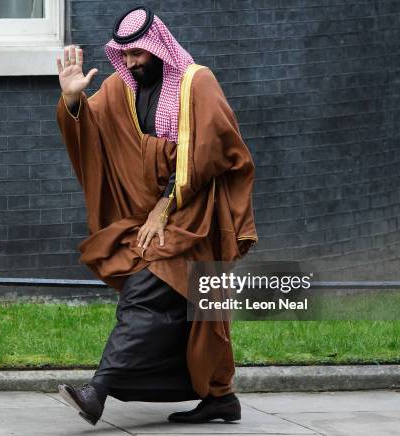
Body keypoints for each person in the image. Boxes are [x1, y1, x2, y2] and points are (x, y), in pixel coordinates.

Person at [55, 5, 257, 426]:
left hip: (196, 216)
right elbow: (91, 132)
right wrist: (72, 101)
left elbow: (214, 151)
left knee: (147, 288)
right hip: (150, 217)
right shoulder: (120, 89)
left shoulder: (196, 84)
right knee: (191, 309)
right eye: (124, 55)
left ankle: (99, 390)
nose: (130, 63)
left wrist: (167, 206)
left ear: (158, 48)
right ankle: (220, 396)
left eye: (137, 54)